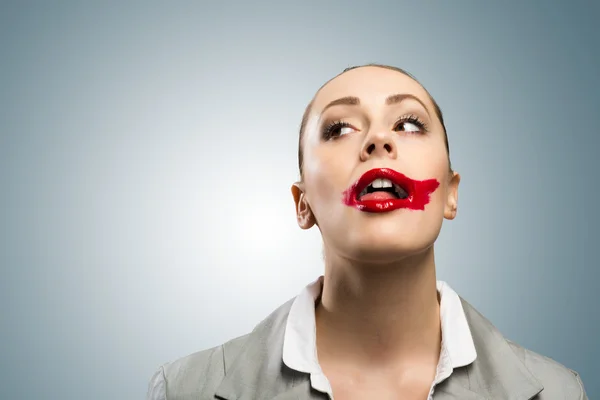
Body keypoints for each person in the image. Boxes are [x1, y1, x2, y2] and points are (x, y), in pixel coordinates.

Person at [147, 64, 588, 400]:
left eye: (408, 124)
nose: (379, 140)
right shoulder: (184, 389)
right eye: (339, 128)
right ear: (303, 204)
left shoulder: (560, 392)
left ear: (451, 194)